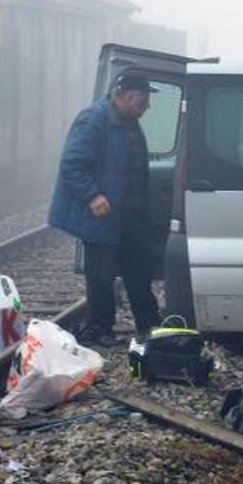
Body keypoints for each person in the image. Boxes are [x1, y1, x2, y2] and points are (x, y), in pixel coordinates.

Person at [48, 71, 162, 346]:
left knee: (139, 272)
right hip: (102, 217)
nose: (146, 107)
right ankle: (100, 328)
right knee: (101, 277)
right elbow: (72, 164)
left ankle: (150, 327)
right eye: (142, 102)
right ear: (126, 97)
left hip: (130, 217)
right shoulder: (93, 120)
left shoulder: (130, 122)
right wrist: (93, 196)